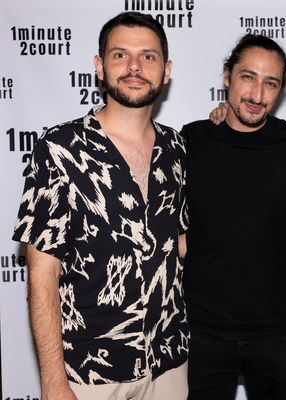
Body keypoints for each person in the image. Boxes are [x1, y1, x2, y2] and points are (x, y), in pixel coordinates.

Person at [12, 12, 189, 400]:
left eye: (148, 57)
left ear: (167, 69)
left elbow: (179, 246)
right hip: (90, 370)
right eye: (120, 55)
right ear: (99, 66)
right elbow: (42, 275)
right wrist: (53, 382)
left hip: (169, 362)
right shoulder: (59, 149)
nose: (134, 68)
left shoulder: (177, 149)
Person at [180, 34, 286, 400]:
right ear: (227, 76)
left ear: (280, 89)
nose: (257, 94)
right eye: (247, 77)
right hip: (202, 333)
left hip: (277, 332)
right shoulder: (193, 139)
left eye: (270, 83)